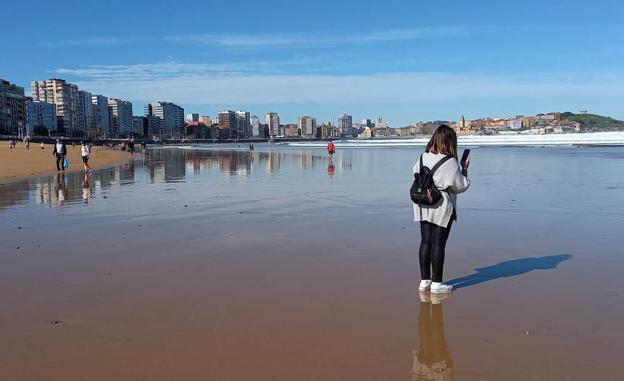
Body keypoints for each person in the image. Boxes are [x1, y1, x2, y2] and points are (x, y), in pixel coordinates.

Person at [413, 124, 470, 294]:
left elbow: (415, 173)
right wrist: (465, 168)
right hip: (441, 205)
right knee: (438, 244)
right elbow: (461, 186)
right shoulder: (450, 162)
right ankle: (437, 283)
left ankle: (424, 281)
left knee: (425, 241)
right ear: (450, 142)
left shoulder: (423, 157)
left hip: (422, 202)